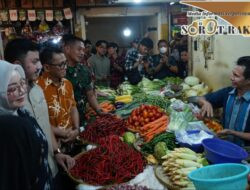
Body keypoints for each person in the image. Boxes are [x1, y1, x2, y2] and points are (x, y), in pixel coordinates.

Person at [4, 38, 75, 189]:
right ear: (17, 65)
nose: (40, 66)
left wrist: (56, 152)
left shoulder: (38, 90)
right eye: (35, 61)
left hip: (51, 166)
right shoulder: (11, 103)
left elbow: (45, 125)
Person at [0, 60, 52, 189]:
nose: (22, 90)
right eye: (12, 88)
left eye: (22, 83)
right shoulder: (6, 128)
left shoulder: (23, 112)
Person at [193, 56, 250, 146]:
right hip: (223, 146)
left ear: (248, 81)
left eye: (236, 76)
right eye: (233, 73)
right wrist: (205, 102)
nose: (231, 78)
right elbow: (200, 98)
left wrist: (232, 132)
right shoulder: (228, 93)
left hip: (245, 153)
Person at [38, 46, 80, 154]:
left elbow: (73, 107)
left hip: (71, 140)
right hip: (53, 147)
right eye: (61, 65)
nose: (65, 67)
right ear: (47, 67)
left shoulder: (67, 83)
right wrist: (62, 133)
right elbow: (39, 121)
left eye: (65, 63)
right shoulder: (37, 88)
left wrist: (76, 129)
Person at [63, 36, 105, 125]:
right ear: (67, 49)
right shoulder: (59, 71)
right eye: (79, 49)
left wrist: (98, 110)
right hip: (63, 121)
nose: (82, 53)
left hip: (82, 118)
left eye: (83, 50)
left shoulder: (85, 70)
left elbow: (90, 95)